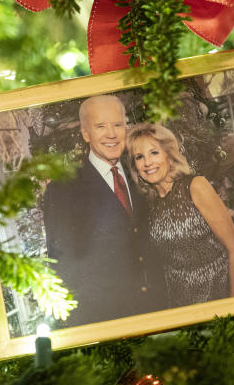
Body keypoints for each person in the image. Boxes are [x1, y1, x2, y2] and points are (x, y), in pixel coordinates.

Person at [41, 95, 154, 326]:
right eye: (100, 126)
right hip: (106, 321)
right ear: (85, 133)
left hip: (158, 309)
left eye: (117, 125)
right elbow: (63, 270)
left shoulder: (145, 171)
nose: (111, 134)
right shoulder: (62, 190)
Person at [126, 123, 234, 308]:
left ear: (169, 154)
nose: (147, 162)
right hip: (178, 304)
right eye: (139, 157)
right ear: (135, 166)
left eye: (154, 153)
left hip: (216, 297)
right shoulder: (147, 204)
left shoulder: (195, 186)